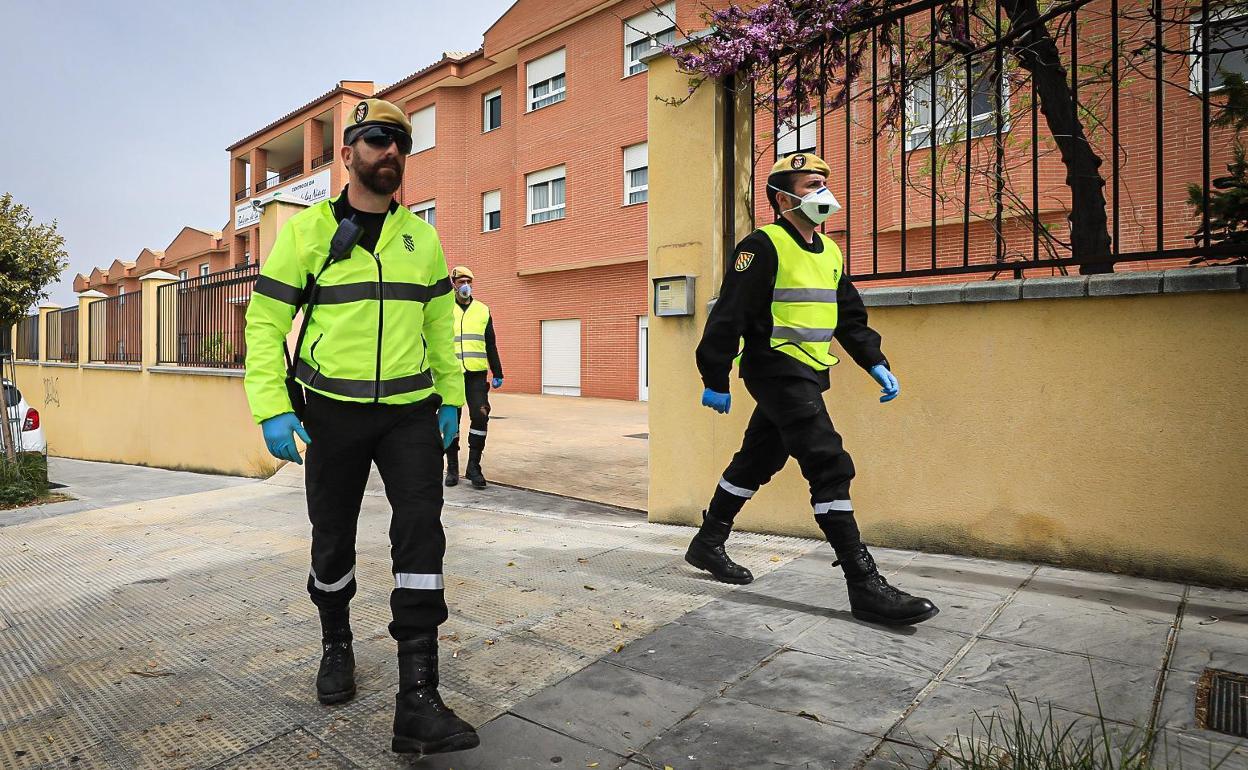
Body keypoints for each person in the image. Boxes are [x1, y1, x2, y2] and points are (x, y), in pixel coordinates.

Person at [244, 98, 479, 756]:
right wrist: (272, 405)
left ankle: (419, 697)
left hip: (408, 412)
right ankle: (337, 642)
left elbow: (440, 328)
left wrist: (450, 400)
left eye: (400, 142)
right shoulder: (305, 234)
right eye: (377, 140)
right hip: (331, 414)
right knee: (332, 543)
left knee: (421, 538)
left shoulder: (422, 238)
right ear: (347, 153)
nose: (390, 153)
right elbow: (264, 324)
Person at [687, 152, 939, 627]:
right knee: (827, 460)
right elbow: (728, 316)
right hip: (775, 367)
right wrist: (714, 378)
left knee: (758, 459)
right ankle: (865, 584)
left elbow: (848, 314)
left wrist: (875, 361)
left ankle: (708, 541)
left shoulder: (830, 251)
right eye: (809, 184)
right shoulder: (761, 246)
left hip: (808, 370)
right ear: (783, 198)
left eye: (823, 182)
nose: (822, 192)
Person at [444, 265, 504, 489]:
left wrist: (497, 372)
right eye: (461, 282)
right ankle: (451, 468)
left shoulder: (482, 310)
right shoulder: (443, 308)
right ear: (453, 284)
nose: (465, 286)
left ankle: (473, 467)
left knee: (480, 416)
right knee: (452, 420)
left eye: (468, 281)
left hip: (476, 375)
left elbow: (490, 343)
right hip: (451, 373)